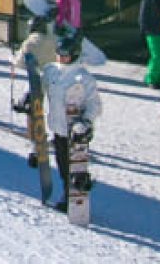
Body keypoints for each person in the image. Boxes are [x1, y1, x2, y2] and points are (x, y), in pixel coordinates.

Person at [43, 34, 102, 213]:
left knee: (74, 164)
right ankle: (67, 191)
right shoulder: (51, 71)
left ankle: (75, 192)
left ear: (75, 55)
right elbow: (39, 87)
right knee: (62, 163)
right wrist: (29, 97)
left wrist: (86, 121)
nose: (61, 58)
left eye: (65, 55)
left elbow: (94, 104)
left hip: (76, 129)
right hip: (58, 127)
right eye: (59, 54)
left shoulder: (84, 78)